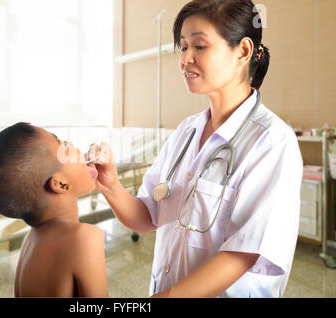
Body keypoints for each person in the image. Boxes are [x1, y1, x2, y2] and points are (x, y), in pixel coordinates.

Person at [88, 0, 303, 297]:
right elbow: (146, 217)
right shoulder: (186, 131)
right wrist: (110, 185)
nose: (186, 58)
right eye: (183, 46)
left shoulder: (271, 141)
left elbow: (243, 252)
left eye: (199, 46)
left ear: (243, 51)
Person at [0, 122, 108, 297]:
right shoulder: (84, 238)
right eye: (64, 146)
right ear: (61, 184)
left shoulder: (31, 240)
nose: (73, 145)